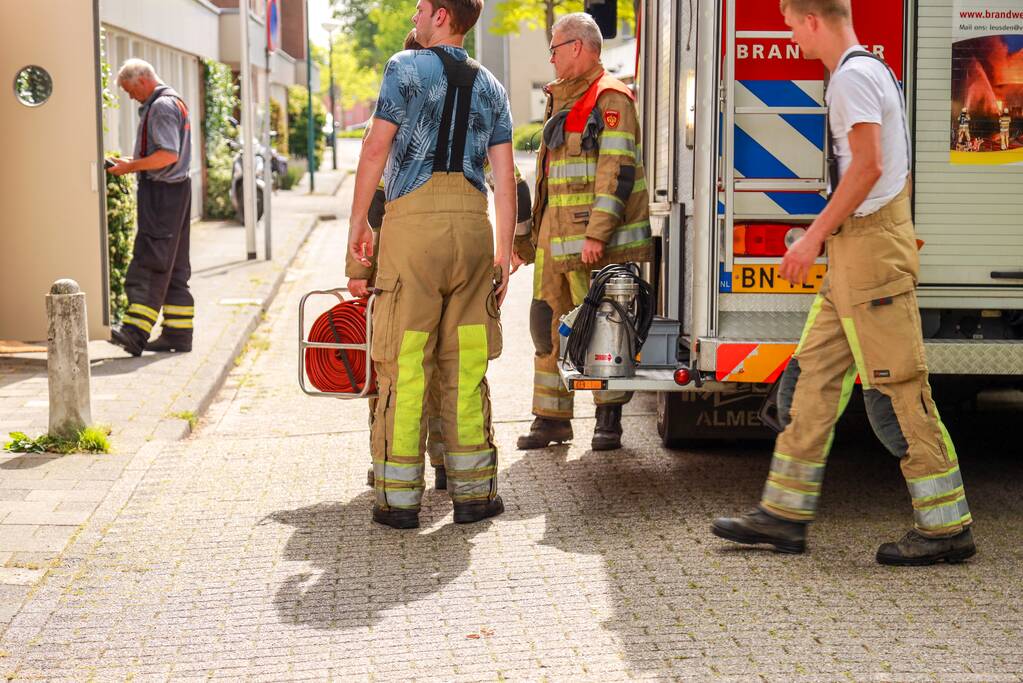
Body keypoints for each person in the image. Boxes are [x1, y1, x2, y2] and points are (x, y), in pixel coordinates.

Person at [712, 0, 976, 566]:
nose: (789, 35)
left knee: (899, 388)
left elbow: (867, 165)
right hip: (859, 250)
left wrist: (812, 238)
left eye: (789, 24)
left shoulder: (853, 77)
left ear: (812, 20)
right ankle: (783, 515)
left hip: (868, 250)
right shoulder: (868, 70)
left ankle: (946, 528)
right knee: (813, 378)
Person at [346, 0, 516, 529]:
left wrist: (357, 225)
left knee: (406, 358)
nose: (416, 16)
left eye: (421, 8)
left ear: (442, 14)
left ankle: (398, 500)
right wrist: (503, 254)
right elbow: (505, 177)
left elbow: (375, 149)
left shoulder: (404, 68)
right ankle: (474, 495)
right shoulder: (492, 85)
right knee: (466, 363)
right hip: (472, 227)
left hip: (412, 228)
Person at [513, 13, 653, 452]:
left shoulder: (610, 98)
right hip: (555, 242)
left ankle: (608, 419)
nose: (551, 58)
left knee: (604, 328)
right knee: (546, 324)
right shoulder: (563, 99)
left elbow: (617, 172)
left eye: (554, 49)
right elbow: (550, 181)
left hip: (595, 245)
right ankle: (551, 419)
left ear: (577, 46)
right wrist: (527, 241)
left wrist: (596, 234)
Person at [107, 59, 194, 356]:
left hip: (162, 195)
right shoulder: (174, 101)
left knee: (151, 260)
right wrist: (131, 163)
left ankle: (135, 333)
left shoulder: (160, 107)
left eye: (130, 90)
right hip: (178, 191)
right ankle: (178, 334)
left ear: (143, 80)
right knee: (175, 265)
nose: (130, 97)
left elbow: (167, 155)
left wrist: (131, 166)